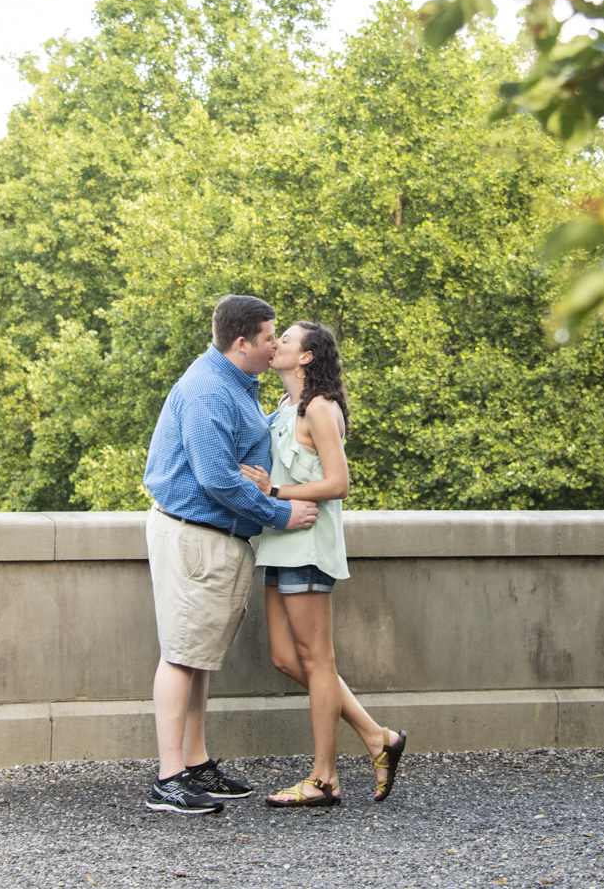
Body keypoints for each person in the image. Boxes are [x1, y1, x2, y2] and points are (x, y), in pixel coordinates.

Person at [141, 294, 319, 815]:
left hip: (212, 539)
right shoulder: (207, 390)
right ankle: (169, 779)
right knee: (180, 655)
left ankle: (195, 764)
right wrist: (281, 513)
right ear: (242, 342)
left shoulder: (233, 384)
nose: (274, 346)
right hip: (194, 536)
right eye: (269, 338)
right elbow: (217, 479)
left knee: (197, 657)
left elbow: (236, 450)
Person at [239, 320, 407, 808]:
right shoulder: (285, 407)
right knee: (287, 659)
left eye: (285, 340)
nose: (276, 345)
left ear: (307, 356)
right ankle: (378, 738)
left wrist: (273, 491)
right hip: (280, 544)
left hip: (309, 547)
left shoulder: (319, 408)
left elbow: (338, 483)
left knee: (318, 661)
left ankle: (325, 779)